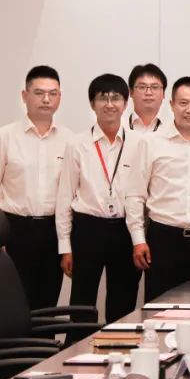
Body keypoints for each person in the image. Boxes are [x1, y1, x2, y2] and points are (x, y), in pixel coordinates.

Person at [126, 76, 190, 303]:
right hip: (163, 240)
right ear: (171, 105)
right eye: (183, 103)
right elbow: (135, 194)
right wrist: (138, 239)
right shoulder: (151, 142)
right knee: (160, 309)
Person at [0, 65, 68, 309]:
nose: (46, 99)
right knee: (14, 303)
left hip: (52, 231)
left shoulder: (69, 140)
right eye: (39, 93)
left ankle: (46, 337)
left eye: (53, 93)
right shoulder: (5, 136)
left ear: (59, 97)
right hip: (15, 229)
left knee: (47, 304)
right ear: (24, 96)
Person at [56, 74, 143, 322]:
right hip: (87, 229)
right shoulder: (77, 143)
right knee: (82, 300)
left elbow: (140, 192)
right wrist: (65, 247)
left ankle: (119, 345)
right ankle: (77, 345)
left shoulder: (139, 143)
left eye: (116, 98)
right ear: (92, 104)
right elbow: (65, 196)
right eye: (102, 98)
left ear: (125, 103)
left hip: (124, 229)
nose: (109, 104)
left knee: (123, 299)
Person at [127, 63, 167, 132]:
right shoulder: (119, 126)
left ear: (163, 93)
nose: (148, 93)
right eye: (142, 87)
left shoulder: (175, 126)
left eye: (155, 87)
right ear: (131, 92)